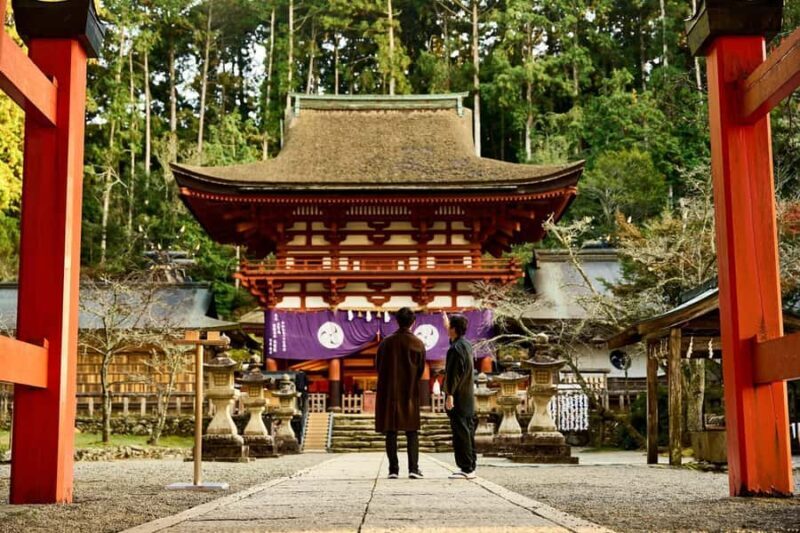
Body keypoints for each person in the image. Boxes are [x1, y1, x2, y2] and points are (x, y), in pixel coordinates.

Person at [375, 307, 426, 479]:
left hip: (390, 392)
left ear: (397, 321)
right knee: (412, 431)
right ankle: (413, 468)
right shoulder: (418, 344)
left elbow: (378, 367)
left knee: (391, 431)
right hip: (410, 391)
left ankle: (393, 470)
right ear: (413, 322)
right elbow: (420, 370)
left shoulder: (385, 343)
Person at [443, 312, 477, 479]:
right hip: (467, 395)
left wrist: (449, 394)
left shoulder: (455, 349)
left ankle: (466, 468)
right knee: (468, 431)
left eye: (449, 327)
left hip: (458, 396)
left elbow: (453, 374)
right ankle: (470, 466)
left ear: (454, 329)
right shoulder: (466, 345)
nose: (448, 329)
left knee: (461, 432)